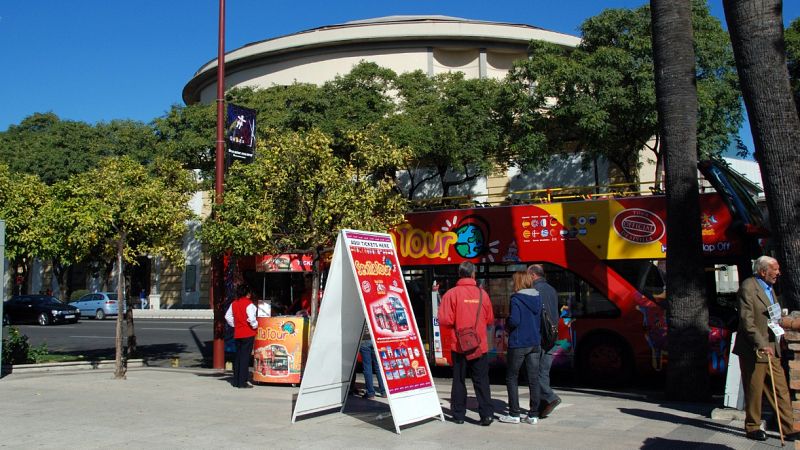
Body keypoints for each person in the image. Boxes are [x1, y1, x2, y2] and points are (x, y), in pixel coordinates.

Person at [734, 256, 797, 441]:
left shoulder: (770, 288)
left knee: (781, 389)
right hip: (755, 348)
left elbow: (773, 316)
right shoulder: (748, 287)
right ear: (763, 271)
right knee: (755, 389)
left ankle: (788, 428)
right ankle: (752, 427)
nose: (779, 273)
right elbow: (747, 321)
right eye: (775, 269)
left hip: (772, 345)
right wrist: (761, 344)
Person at [438, 261, 495, 426]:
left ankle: (459, 415)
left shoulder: (451, 294)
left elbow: (445, 320)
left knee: (459, 380)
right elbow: (490, 319)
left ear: (459, 274)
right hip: (479, 346)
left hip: (459, 345)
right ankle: (486, 415)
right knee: (481, 380)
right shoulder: (483, 294)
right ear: (473, 274)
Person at [499, 270, 542, 424]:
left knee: (512, 377)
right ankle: (533, 414)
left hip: (519, 342)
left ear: (518, 282)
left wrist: (507, 323)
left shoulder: (516, 299)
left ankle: (514, 413)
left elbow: (515, 320)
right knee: (533, 378)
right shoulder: (537, 296)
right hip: (535, 343)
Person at [529, 263, 561, 419]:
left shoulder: (535, 290)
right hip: (553, 336)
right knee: (544, 372)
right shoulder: (552, 289)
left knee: (533, 373)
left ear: (534, 275)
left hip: (541, 336)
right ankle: (543, 407)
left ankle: (550, 397)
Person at [225, 284, 258, 389]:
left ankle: (236, 381)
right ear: (247, 293)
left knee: (238, 356)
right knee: (245, 358)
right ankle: (243, 382)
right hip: (248, 333)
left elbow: (227, 316)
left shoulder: (234, 303)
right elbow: (251, 318)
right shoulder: (250, 304)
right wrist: (255, 325)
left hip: (238, 333)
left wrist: (235, 324)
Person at [359, 329, 386, 399]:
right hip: (375, 338)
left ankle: (370, 393)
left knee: (367, 367)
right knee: (379, 367)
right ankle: (384, 392)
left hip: (364, 339)